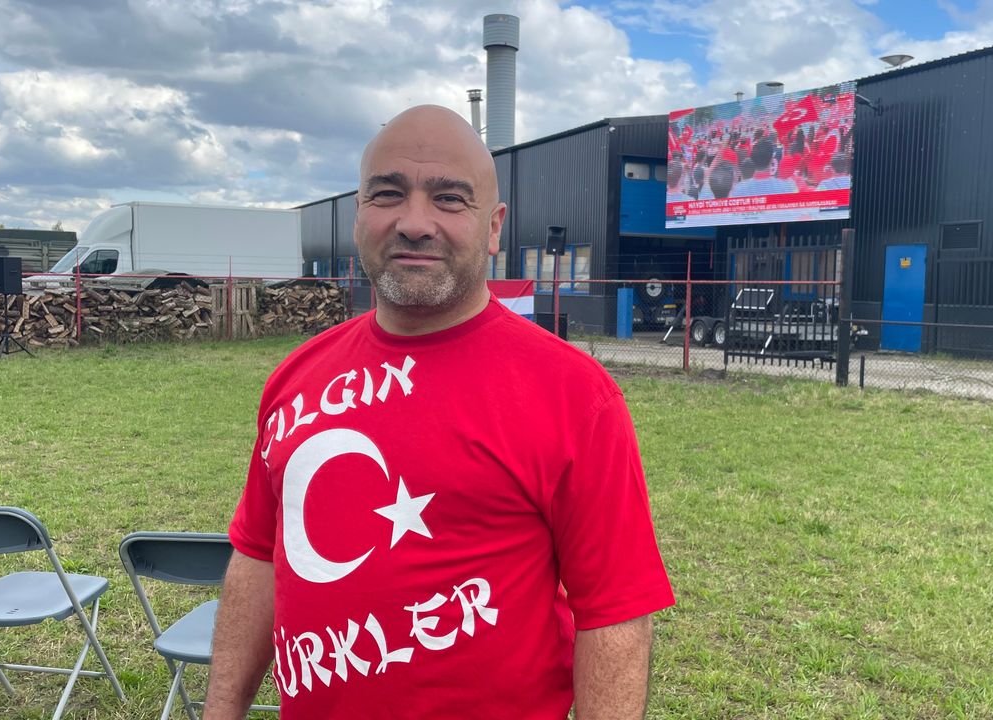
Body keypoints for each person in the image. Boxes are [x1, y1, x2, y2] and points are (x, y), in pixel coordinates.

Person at [205, 105, 675, 720]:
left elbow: (615, 615)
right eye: (388, 194)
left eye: (450, 199)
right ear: (358, 218)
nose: (415, 223)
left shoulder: (575, 397)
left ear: (494, 226)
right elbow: (258, 557)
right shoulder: (295, 380)